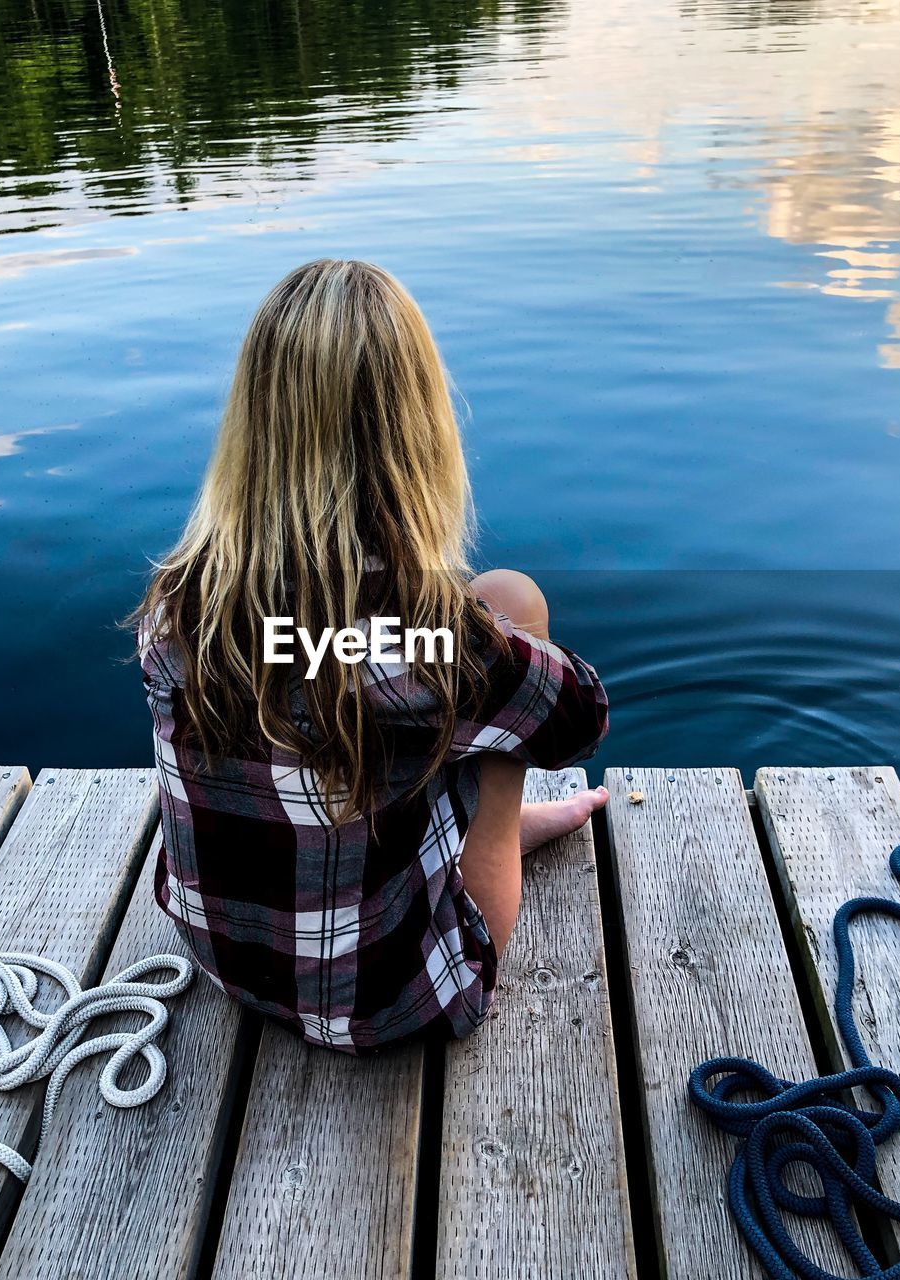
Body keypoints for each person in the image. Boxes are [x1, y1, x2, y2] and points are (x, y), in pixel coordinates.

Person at [133, 259, 609, 1055]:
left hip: (228, 964)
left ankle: (475, 826)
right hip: (395, 1006)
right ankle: (492, 829)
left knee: (363, 727)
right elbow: (579, 721)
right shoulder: (437, 644)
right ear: (417, 430)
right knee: (513, 600)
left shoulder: (177, 605)